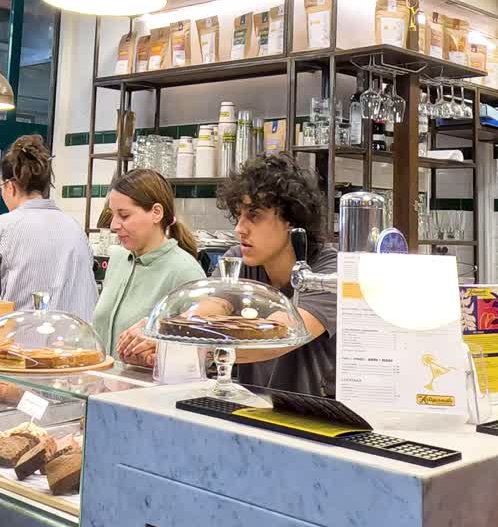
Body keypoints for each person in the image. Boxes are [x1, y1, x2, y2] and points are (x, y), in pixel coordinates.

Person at [172, 154, 338, 396]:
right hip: (252, 407)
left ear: (291, 220)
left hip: (311, 412)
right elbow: (204, 313)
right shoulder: (237, 259)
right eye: (238, 215)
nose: (239, 228)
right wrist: (178, 330)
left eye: (254, 215)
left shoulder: (328, 271)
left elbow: (277, 335)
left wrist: (191, 342)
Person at [0, 135, 97, 318]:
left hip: (21, 335)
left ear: (10, 186)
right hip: (77, 334)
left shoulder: (2, 228)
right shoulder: (75, 229)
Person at [93, 169, 205, 362]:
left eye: (124, 215)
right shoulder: (118, 259)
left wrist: (158, 355)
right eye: (113, 215)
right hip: (103, 380)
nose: (114, 225)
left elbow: (202, 351)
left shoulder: (185, 271)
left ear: (156, 213)